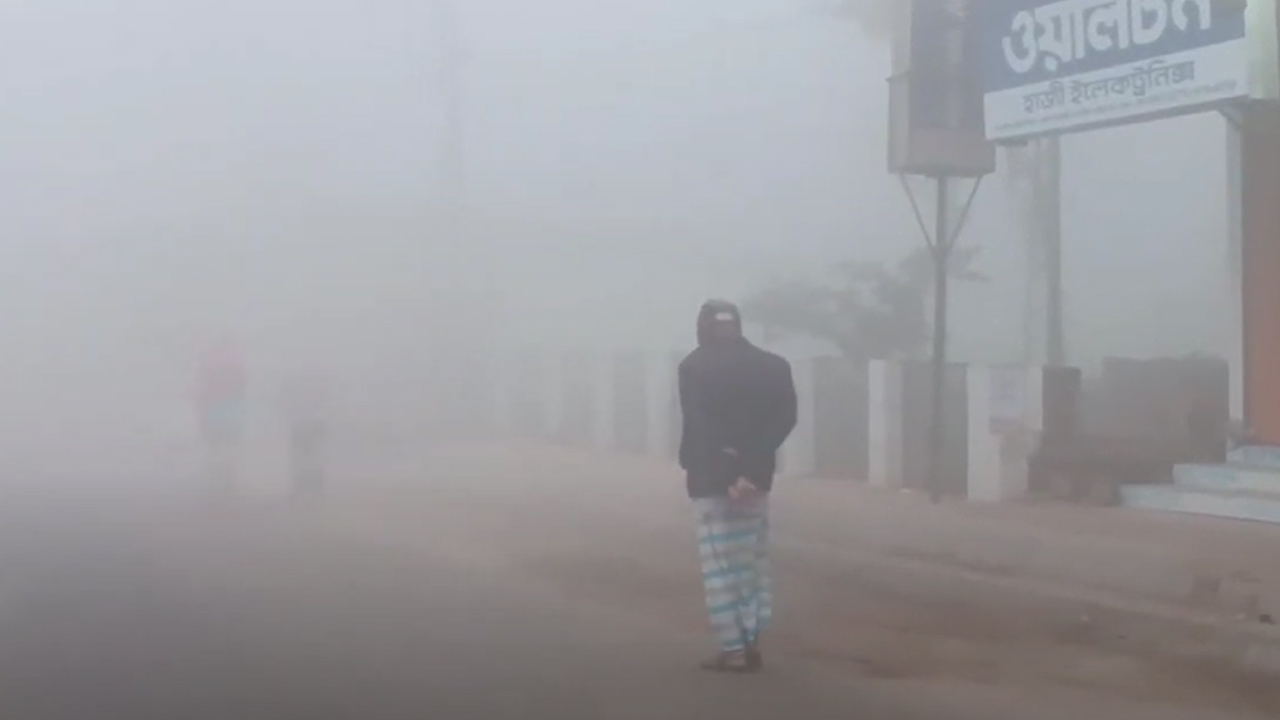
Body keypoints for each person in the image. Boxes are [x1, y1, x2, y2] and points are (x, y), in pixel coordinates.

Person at [678, 299, 797, 673]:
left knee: (719, 566)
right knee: (752, 564)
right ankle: (752, 641)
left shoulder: (694, 367)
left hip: (712, 483)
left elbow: (701, 427)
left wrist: (729, 472)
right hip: (756, 482)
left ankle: (733, 650)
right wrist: (751, 469)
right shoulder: (774, 366)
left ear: (703, 326)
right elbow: (785, 420)